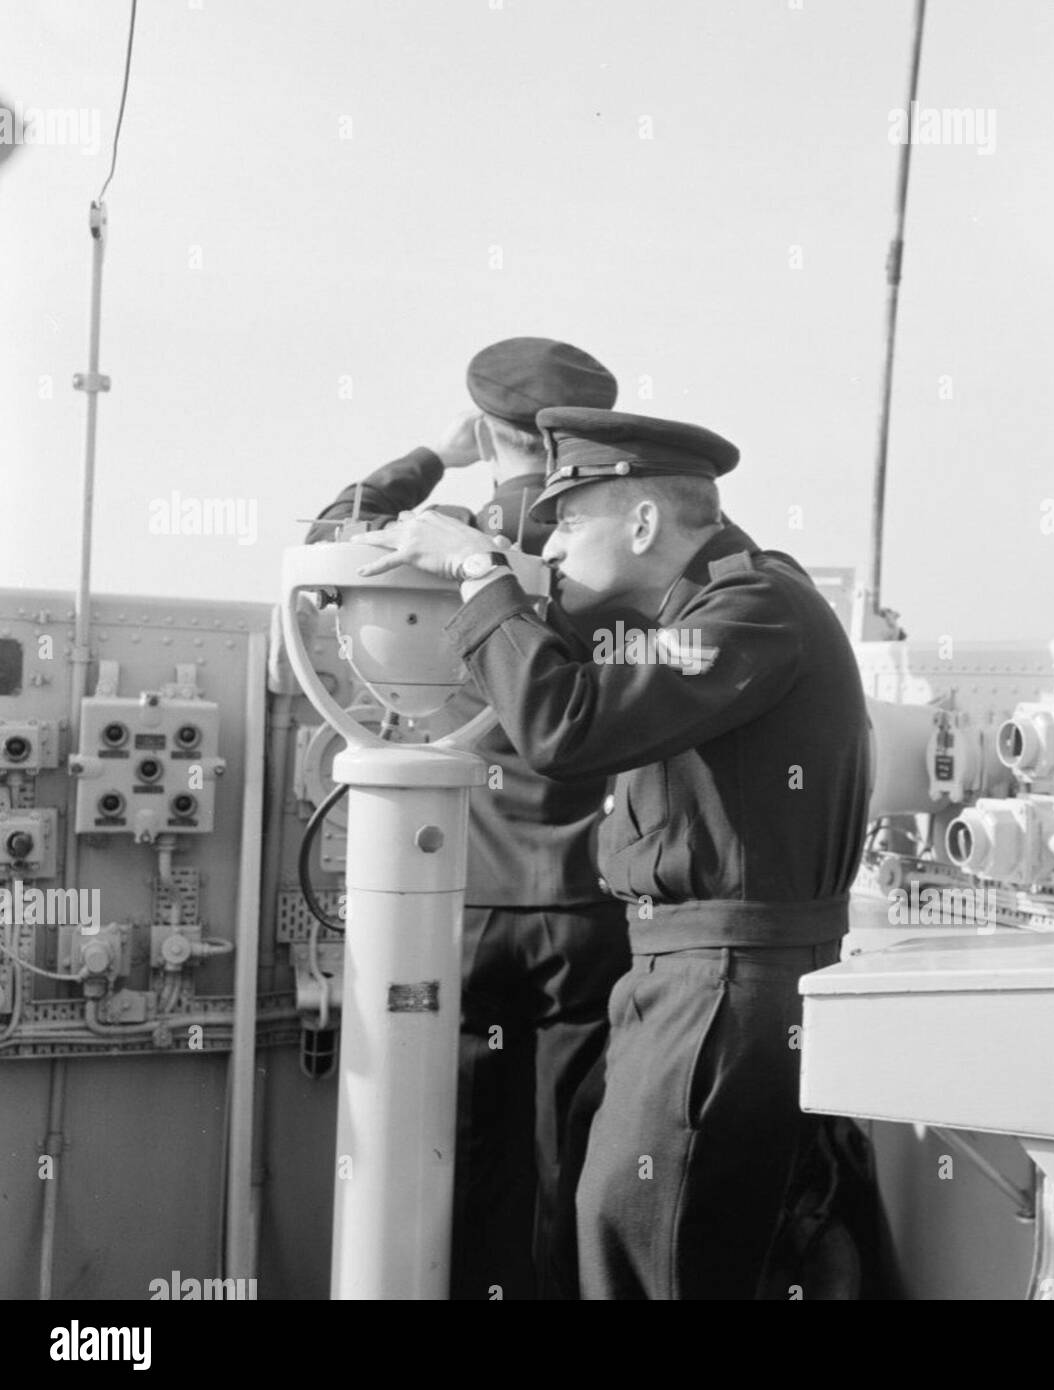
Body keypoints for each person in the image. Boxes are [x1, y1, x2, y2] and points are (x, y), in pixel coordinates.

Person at [359, 406, 870, 1299]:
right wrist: (510, 588)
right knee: (625, 1236)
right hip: (690, 975)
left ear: (643, 523)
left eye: (570, 519)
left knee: (644, 1252)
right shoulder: (707, 610)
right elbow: (588, 683)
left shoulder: (754, 610)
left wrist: (481, 573)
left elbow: (568, 724)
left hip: (721, 988)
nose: (550, 546)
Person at [308, 339, 629, 1299]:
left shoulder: (450, 527)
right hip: (586, 900)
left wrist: (431, 459)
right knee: (573, 1151)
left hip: (469, 898)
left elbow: (337, 531)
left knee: (468, 1149)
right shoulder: (610, 542)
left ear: (489, 427)